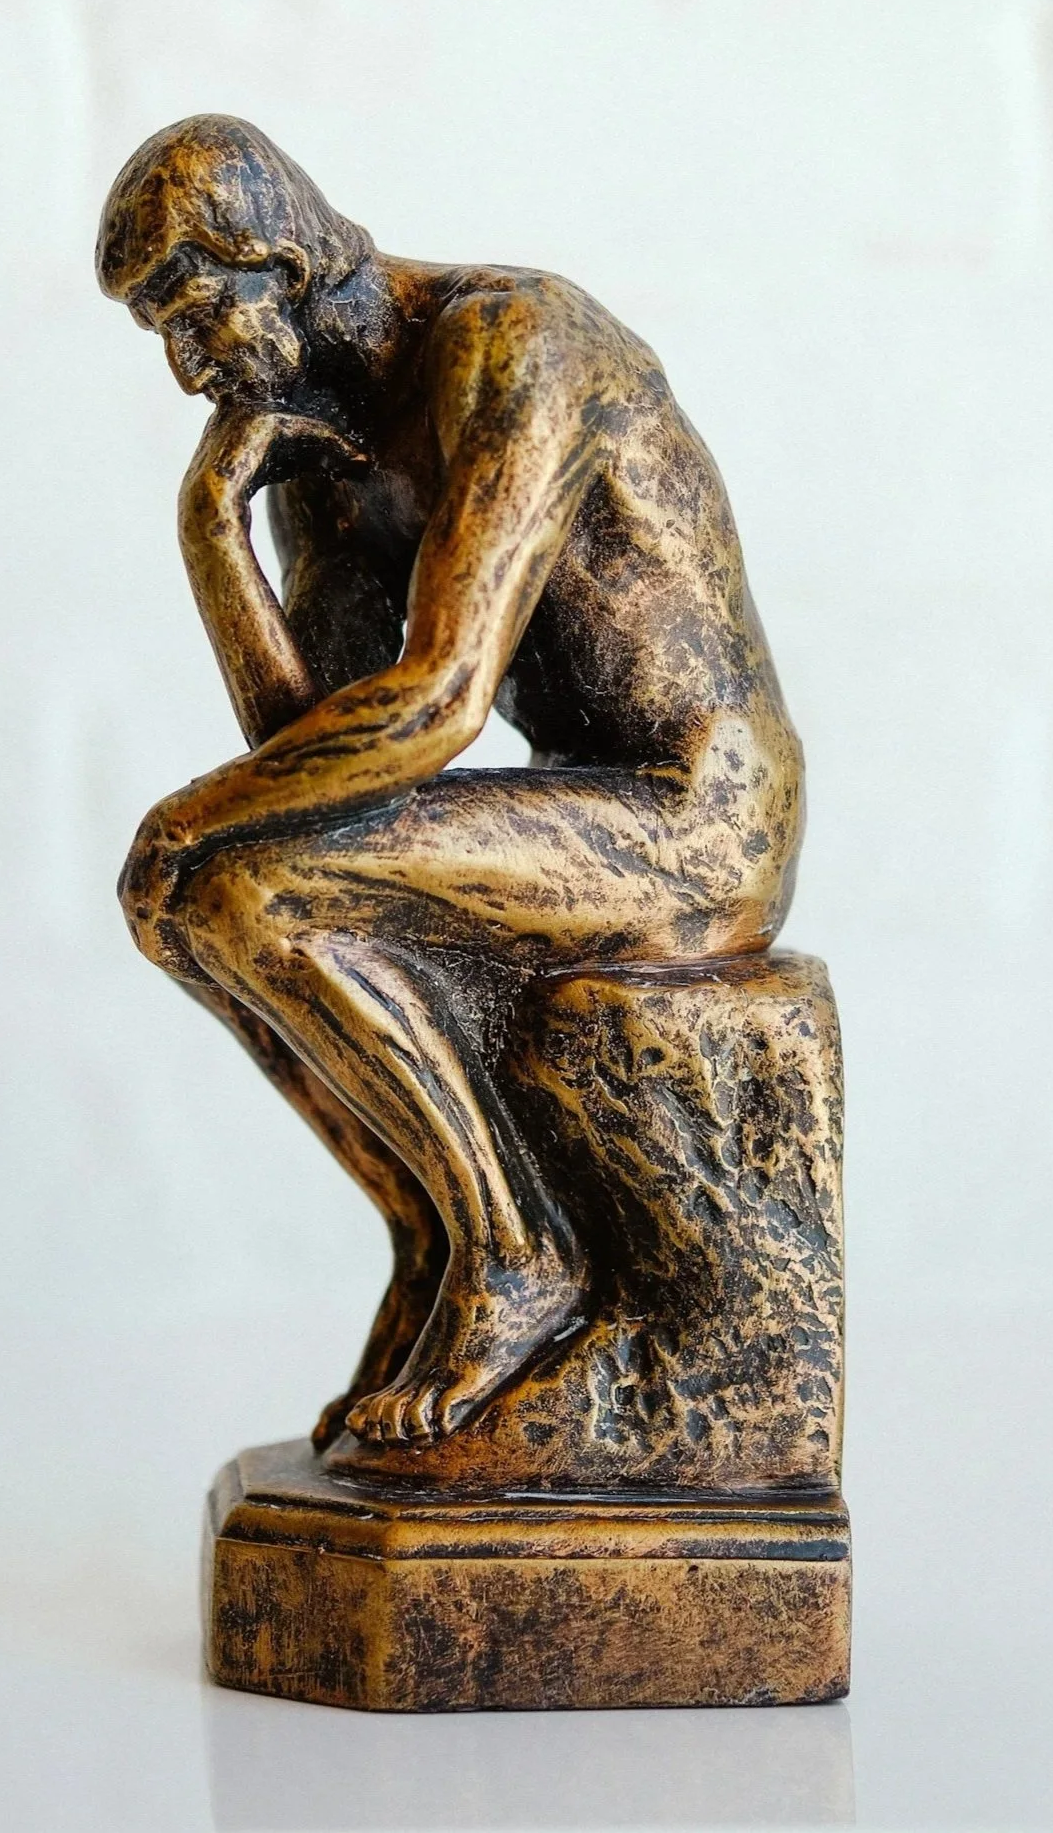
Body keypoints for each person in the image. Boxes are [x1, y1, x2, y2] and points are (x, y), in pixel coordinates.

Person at [97, 115, 804, 1448]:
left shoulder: (510, 340)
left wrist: (179, 818)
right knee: (189, 903)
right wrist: (214, 539)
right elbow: (302, 758)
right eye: (165, 340)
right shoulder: (321, 445)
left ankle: (513, 1248)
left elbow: (431, 707)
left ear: (285, 264)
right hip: (581, 810)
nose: (192, 370)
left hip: (692, 816)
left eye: (199, 318)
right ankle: (437, 1231)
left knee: (244, 888)